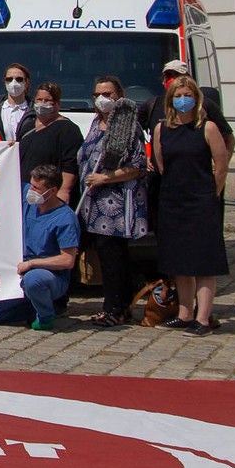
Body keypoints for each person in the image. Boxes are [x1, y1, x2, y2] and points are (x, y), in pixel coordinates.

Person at [152, 73, 230, 334]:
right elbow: (161, 164)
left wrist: (212, 194)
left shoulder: (207, 127)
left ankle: (203, 318)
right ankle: (185, 313)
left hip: (201, 203)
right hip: (173, 202)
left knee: (203, 263)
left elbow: (221, 164)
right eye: (178, 96)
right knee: (180, 263)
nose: (183, 100)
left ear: (196, 99)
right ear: (170, 100)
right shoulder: (162, 129)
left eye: (188, 96)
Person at [0, 163, 81, 330]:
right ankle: (32, 308)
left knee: (34, 279)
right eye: (31, 185)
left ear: (51, 191)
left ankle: (45, 316)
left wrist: (32, 263)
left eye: (36, 188)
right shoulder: (28, 199)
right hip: (17, 273)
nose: (31, 190)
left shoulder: (65, 218)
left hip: (48, 275)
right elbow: (1, 180)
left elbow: (67, 260)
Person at [76, 75, 149, 328]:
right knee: (107, 258)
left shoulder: (128, 126)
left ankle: (115, 309)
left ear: (119, 96)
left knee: (114, 259)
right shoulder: (97, 123)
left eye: (107, 95)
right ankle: (119, 306)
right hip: (94, 205)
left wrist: (105, 178)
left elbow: (137, 166)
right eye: (97, 95)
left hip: (115, 206)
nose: (101, 100)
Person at [140, 59, 235, 157]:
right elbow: (133, 135)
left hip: (197, 170)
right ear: (163, 80)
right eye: (169, 76)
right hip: (161, 171)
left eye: (177, 75)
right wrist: (144, 157)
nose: (173, 80)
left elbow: (229, 139)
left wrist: (221, 164)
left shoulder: (204, 105)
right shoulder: (152, 105)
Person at [16, 82, 83, 203]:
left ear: (57, 104)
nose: (42, 103)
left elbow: (70, 164)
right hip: (26, 192)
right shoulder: (27, 126)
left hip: (50, 195)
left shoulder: (68, 129)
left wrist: (64, 191)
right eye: (39, 99)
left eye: (47, 100)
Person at [0, 63, 33, 141]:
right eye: (9, 79)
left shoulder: (35, 112)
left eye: (19, 79)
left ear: (26, 82)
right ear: (4, 82)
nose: (14, 83)